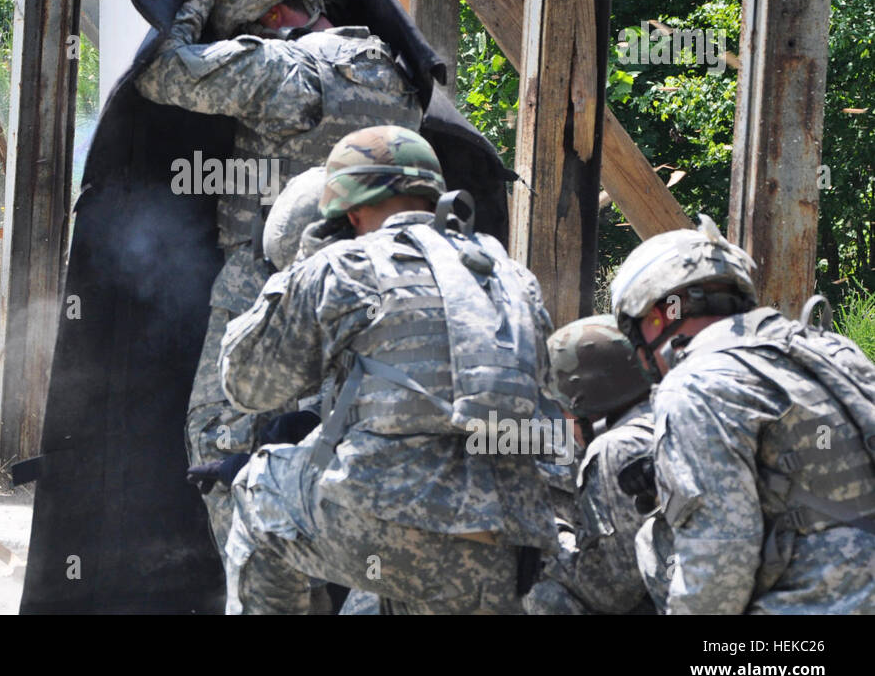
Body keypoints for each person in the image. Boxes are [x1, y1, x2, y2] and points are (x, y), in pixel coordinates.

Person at [138, 0, 424, 554]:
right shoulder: (396, 71)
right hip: (382, 291)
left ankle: (254, 585)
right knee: (336, 446)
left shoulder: (281, 68)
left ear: (266, 15)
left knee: (226, 445)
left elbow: (162, 69)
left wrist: (195, 3)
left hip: (271, 285)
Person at [217, 126, 558, 614]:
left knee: (258, 488)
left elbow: (245, 383)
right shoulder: (511, 276)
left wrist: (303, 267)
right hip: (507, 549)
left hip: (392, 530)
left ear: (350, 212)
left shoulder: (346, 264)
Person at [613, 215, 875, 614]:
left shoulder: (695, 384)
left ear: (659, 316)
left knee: (652, 542)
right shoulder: (833, 352)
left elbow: (718, 568)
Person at [523, 315, 655, 615]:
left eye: (564, 410)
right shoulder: (665, 414)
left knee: (542, 594)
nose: (564, 422)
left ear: (586, 403)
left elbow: (609, 591)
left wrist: (548, 532)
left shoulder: (618, 448)